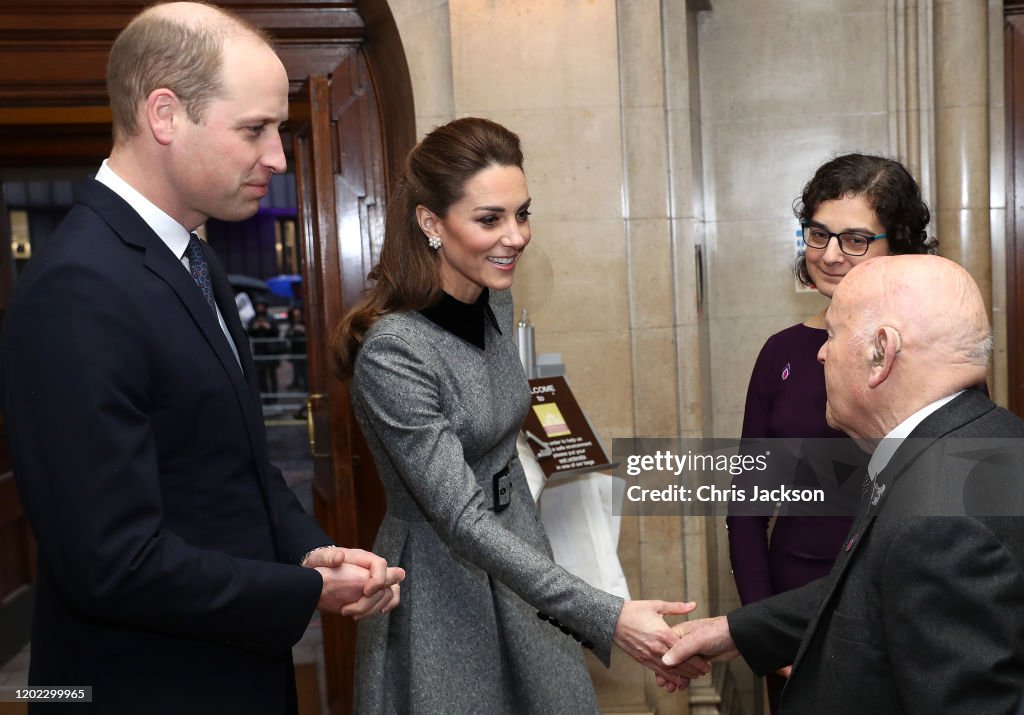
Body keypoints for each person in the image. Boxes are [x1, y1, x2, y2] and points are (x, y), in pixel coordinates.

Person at [0, 4, 403, 713]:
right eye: (255, 129)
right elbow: (113, 562)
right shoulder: (77, 287)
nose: (277, 157)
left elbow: (235, 462)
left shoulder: (198, 262)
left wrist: (310, 551)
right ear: (164, 114)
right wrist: (306, 592)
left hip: (232, 673)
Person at [333, 117, 706, 713]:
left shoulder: (494, 301)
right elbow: (460, 519)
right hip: (443, 585)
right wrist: (607, 616)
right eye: (490, 219)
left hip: (521, 559)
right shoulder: (395, 352)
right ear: (431, 223)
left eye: (522, 213)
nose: (516, 236)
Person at [662, 255, 1024, 713]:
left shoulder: (940, 526)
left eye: (832, 334)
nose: (820, 352)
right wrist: (738, 631)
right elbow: (883, 586)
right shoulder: (985, 441)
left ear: (881, 353)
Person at [727, 153, 934, 713]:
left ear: (900, 244)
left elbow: (965, 499)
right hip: (794, 607)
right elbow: (747, 503)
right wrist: (764, 630)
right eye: (820, 233)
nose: (832, 255)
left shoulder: (935, 349)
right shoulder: (781, 353)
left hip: (902, 611)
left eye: (857, 239)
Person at [248, 299, 281, 399]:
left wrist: (268, 327)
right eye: (258, 306)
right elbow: (249, 332)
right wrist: (255, 327)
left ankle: (274, 396)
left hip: (271, 350)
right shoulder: (253, 319)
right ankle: (266, 397)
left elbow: (276, 332)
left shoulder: (271, 318)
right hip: (259, 351)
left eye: (262, 306)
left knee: (272, 374)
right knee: (261, 375)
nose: (260, 308)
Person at [286, 306, 308, 390]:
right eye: (294, 315)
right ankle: (298, 384)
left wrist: (303, 330)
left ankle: (305, 388)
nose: (296, 317)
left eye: (298, 315)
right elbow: (287, 335)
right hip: (295, 351)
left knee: (305, 372)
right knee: (297, 370)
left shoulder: (304, 323)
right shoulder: (291, 324)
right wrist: (293, 331)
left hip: (305, 351)